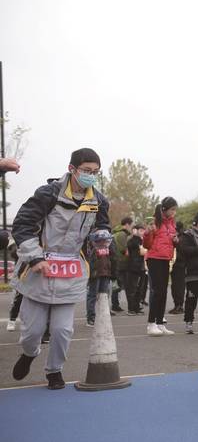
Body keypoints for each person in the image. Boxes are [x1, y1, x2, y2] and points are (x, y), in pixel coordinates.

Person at [11, 148, 110, 389]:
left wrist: (101, 237)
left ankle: (54, 370)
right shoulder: (48, 194)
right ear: (72, 169)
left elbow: (102, 225)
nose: (91, 176)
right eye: (86, 171)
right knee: (33, 331)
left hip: (71, 272)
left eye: (95, 172)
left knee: (62, 330)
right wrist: (35, 259)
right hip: (39, 270)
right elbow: (22, 226)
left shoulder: (98, 200)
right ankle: (29, 353)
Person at [144, 197, 179, 336]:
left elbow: (171, 242)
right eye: (172, 209)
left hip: (166, 259)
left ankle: (160, 323)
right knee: (157, 291)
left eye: (175, 209)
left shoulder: (171, 224)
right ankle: (151, 323)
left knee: (164, 292)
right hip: (154, 258)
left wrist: (176, 241)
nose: (174, 212)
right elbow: (146, 245)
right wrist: (148, 233)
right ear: (165, 209)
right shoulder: (155, 222)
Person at [112, 217, 133, 313]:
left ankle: (115, 305)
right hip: (121, 262)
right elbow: (124, 249)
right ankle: (115, 305)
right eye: (131, 225)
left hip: (116, 261)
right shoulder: (122, 234)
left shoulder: (115, 232)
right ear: (127, 224)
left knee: (116, 285)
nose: (131, 228)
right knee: (119, 285)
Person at [125, 224, 146, 315]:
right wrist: (135, 236)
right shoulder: (132, 240)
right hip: (132, 267)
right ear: (135, 230)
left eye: (143, 230)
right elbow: (130, 245)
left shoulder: (142, 240)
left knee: (139, 289)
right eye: (140, 230)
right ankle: (131, 309)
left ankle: (137, 307)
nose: (142, 232)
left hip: (141, 267)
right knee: (132, 289)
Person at [168, 221, 186, 315]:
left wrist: (176, 242)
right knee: (174, 286)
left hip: (180, 265)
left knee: (179, 287)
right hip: (174, 265)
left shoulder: (182, 238)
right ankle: (176, 305)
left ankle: (179, 305)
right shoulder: (175, 237)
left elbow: (182, 250)